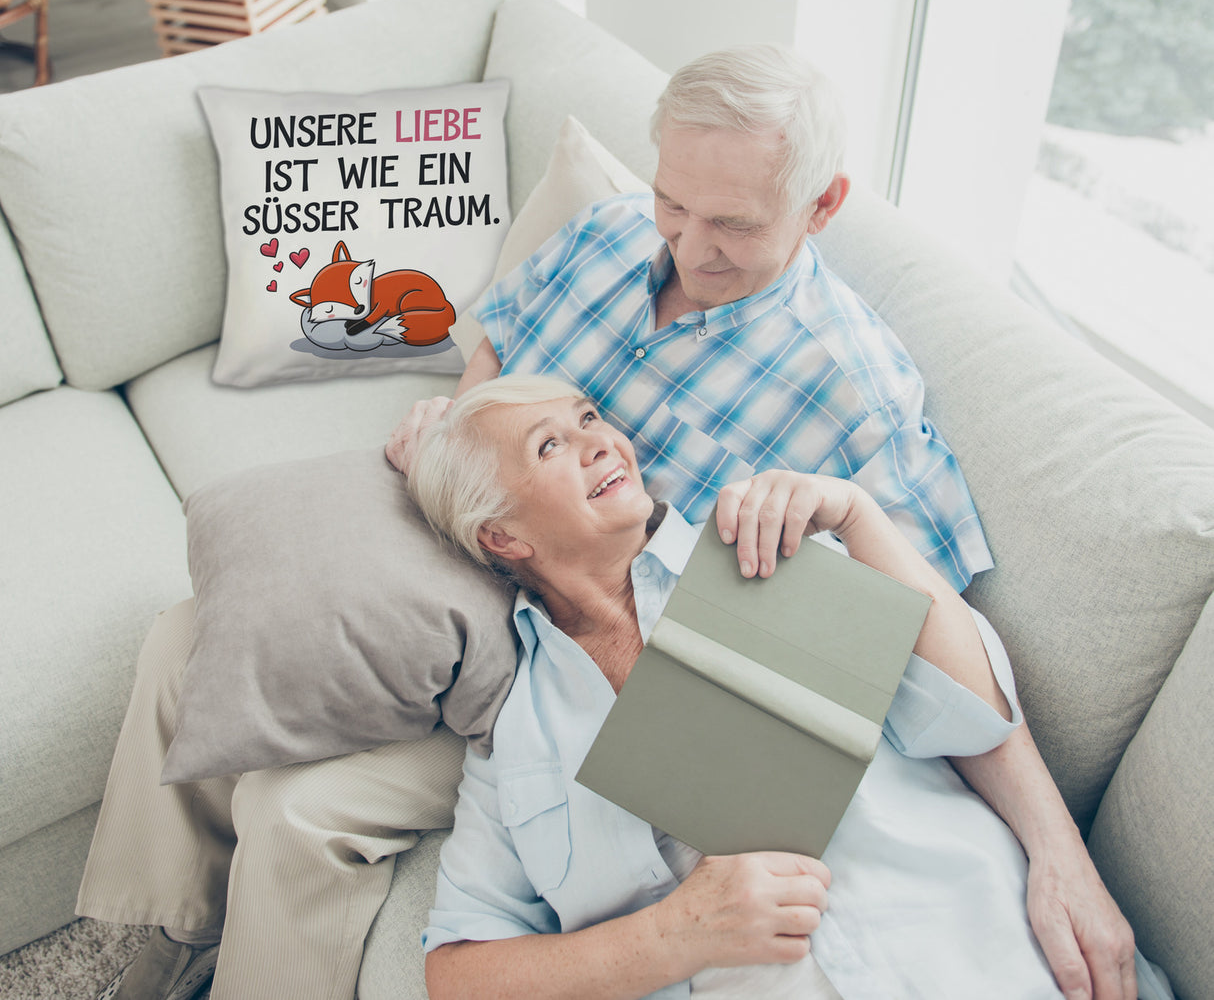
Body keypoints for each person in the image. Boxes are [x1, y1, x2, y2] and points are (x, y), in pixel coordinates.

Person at [388, 45, 1136, 999]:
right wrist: (463, 442)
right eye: (674, 204)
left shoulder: (833, 441)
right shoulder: (608, 236)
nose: (690, 248)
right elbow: (499, 335)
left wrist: (1058, 854)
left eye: (732, 224)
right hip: (493, 621)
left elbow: (944, 671)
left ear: (822, 206)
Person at [407, 375, 1160, 1000]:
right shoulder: (516, 737)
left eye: (589, 418)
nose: (601, 441)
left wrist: (858, 516)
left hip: (984, 952)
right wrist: (674, 935)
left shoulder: (762, 548)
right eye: (550, 445)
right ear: (502, 536)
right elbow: (458, 974)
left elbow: (972, 715)